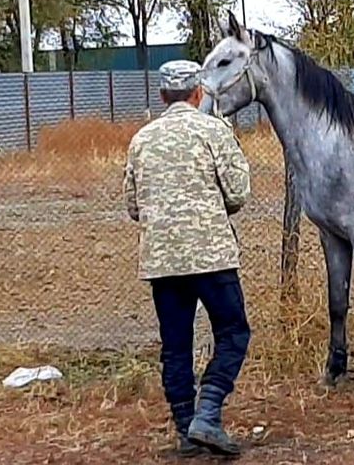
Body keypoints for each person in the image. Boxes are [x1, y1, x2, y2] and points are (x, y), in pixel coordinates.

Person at [122, 60, 252, 458]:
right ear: (198, 93)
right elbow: (238, 192)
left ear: (162, 96)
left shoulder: (142, 140)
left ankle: (185, 429)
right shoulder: (214, 131)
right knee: (233, 333)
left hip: (162, 263)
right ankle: (208, 414)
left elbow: (132, 205)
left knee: (175, 347)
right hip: (211, 257)